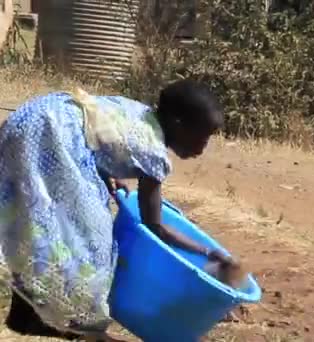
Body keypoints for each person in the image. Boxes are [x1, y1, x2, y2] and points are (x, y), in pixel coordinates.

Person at [0, 79, 233, 341]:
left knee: (44, 223)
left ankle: (27, 315)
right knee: (90, 239)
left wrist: (103, 171)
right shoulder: (153, 151)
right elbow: (155, 226)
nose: (203, 147)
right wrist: (208, 253)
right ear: (178, 124)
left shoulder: (141, 113)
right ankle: (81, 327)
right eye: (202, 136)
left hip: (32, 119)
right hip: (50, 133)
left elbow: (94, 134)